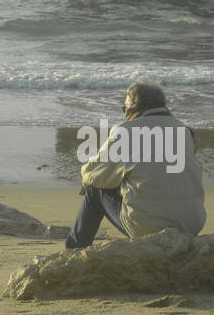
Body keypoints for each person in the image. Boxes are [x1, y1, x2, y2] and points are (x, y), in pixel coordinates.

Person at [65, 82, 206, 249]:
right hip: (192, 224)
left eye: (124, 109)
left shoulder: (126, 130)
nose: (125, 114)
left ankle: (74, 250)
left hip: (148, 227)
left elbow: (93, 173)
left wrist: (89, 181)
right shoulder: (184, 131)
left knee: (95, 190)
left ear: (133, 106)